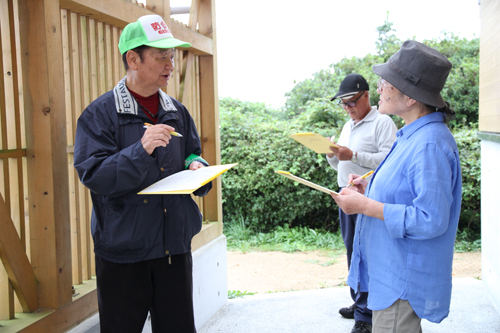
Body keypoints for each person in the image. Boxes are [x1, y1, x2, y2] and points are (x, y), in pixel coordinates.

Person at [74, 14, 212, 332]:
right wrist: (141, 148)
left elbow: (191, 151)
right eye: (161, 57)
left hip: (173, 248)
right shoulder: (99, 115)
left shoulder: (177, 111)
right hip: (124, 253)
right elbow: (94, 175)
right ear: (133, 59)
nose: (170, 64)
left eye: (172, 57)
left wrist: (197, 166)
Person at [332, 40, 462, 333]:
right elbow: (404, 192)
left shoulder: (429, 143)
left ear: (411, 97)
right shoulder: (411, 135)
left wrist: (365, 205)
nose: (378, 88)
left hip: (401, 279)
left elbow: (431, 219)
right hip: (390, 272)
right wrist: (368, 189)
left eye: (384, 82)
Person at [327, 73, 397, 333]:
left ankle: (367, 314)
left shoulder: (383, 122)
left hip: (368, 198)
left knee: (368, 253)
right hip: (346, 196)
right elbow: (340, 162)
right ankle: (358, 302)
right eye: (343, 104)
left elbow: (390, 160)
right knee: (352, 249)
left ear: (367, 95)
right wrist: (331, 154)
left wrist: (353, 154)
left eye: (351, 102)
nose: (347, 108)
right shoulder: (348, 125)